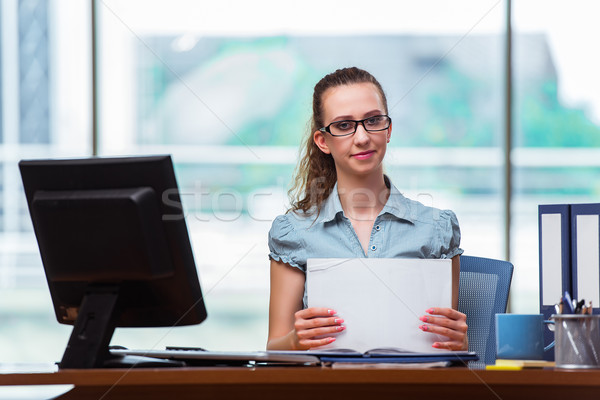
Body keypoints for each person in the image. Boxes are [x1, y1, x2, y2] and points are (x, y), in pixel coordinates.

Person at [266, 67, 467, 351]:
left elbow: (447, 348)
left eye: (373, 121)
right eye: (344, 126)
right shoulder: (294, 232)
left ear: (388, 130)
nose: (362, 137)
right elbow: (274, 351)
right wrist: (294, 342)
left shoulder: (436, 229)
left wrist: (460, 342)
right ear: (323, 141)